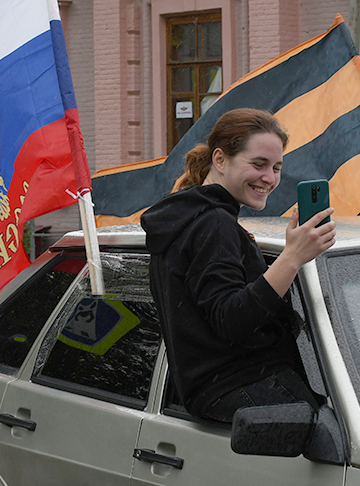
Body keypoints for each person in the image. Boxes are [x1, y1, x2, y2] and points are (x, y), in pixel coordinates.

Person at [140, 108, 336, 423]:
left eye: (276, 167)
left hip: (220, 391)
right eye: (258, 164)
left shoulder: (190, 218)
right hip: (240, 386)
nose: (270, 178)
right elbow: (230, 320)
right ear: (220, 160)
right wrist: (292, 257)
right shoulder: (213, 224)